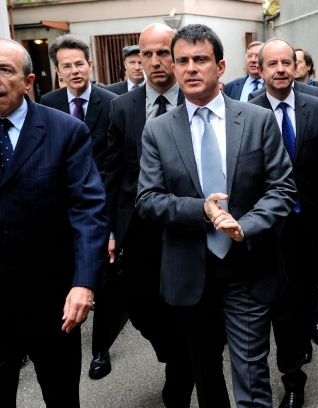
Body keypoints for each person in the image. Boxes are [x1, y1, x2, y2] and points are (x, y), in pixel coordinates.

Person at [135, 24, 296, 408]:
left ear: (220, 66)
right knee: (206, 377)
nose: (191, 68)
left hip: (247, 267)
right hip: (189, 270)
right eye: (183, 61)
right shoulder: (158, 130)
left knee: (252, 374)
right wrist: (201, 210)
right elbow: (148, 199)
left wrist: (245, 225)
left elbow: (283, 189)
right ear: (174, 68)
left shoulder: (256, 120)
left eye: (200, 59)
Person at [0, 38, 107, 407]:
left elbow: (88, 210)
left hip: (51, 302)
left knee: (61, 397)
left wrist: (84, 283)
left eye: (4, 70)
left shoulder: (65, 131)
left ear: (29, 81)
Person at [101, 23, 194, 406]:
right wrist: (109, 229)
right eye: (146, 54)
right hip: (138, 229)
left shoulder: (196, 100)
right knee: (140, 305)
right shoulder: (121, 107)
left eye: (163, 52)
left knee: (187, 306)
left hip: (187, 226)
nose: (155, 62)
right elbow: (112, 171)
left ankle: (182, 376)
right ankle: (178, 356)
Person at [249, 38, 318, 408]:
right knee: (282, 307)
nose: (281, 69)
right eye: (273, 63)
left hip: (312, 227)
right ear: (261, 69)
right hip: (271, 231)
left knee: (305, 301)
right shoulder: (245, 112)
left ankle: (301, 342)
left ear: (297, 66)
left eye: (288, 62)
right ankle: (292, 378)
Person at [40, 34, 117, 182]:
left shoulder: (113, 102)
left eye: (79, 64)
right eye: (67, 66)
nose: (74, 71)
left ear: (90, 65)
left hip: (103, 187)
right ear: (58, 71)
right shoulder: (49, 102)